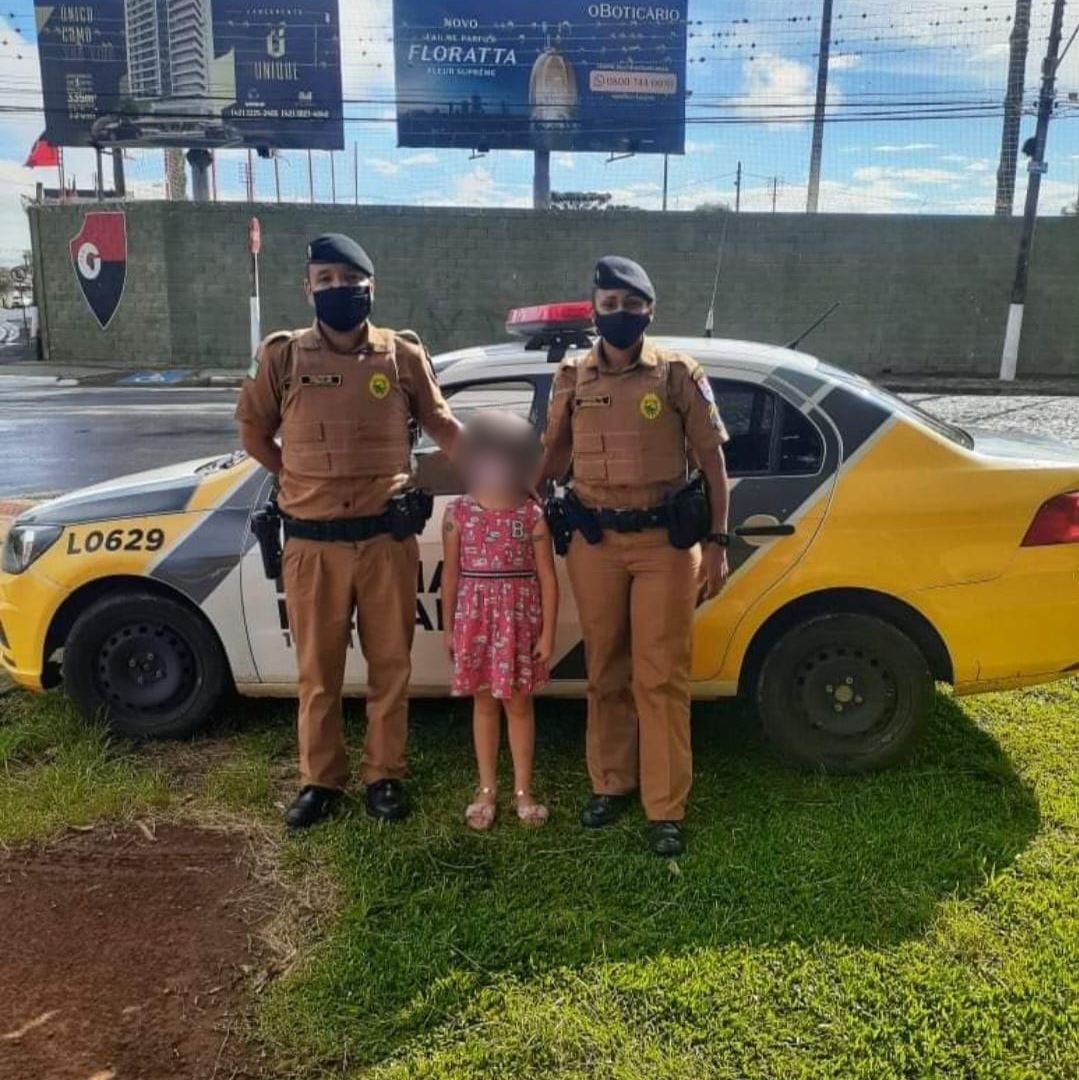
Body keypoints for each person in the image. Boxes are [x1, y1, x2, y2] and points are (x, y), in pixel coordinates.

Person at [235, 233, 460, 828]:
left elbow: (441, 423)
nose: (338, 289)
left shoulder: (402, 355)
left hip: (386, 543)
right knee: (319, 672)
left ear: (371, 287)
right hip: (312, 546)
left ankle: (385, 776)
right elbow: (254, 433)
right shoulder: (282, 356)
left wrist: (497, 469)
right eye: (325, 279)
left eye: (349, 280)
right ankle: (320, 781)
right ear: (308, 287)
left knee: (392, 667)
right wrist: (297, 478)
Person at [539, 255, 731, 856]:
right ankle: (610, 784)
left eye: (631, 305)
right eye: (608, 304)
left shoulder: (677, 374)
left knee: (661, 676)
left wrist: (718, 542)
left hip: (663, 549)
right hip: (595, 544)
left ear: (649, 309)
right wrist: (523, 503)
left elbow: (714, 464)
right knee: (605, 670)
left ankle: (665, 807)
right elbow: (551, 456)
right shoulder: (572, 376)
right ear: (594, 306)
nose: (618, 315)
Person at [441, 411, 559, 830]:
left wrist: (547, 633)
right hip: (475, 621)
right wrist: (449, 627)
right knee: (484, 702)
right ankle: (487, 788)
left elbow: (547, 576)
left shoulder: (532, 515)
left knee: (519, 704)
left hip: (518, 621)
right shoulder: (458, 513)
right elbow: (450, 575)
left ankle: (523, 789)